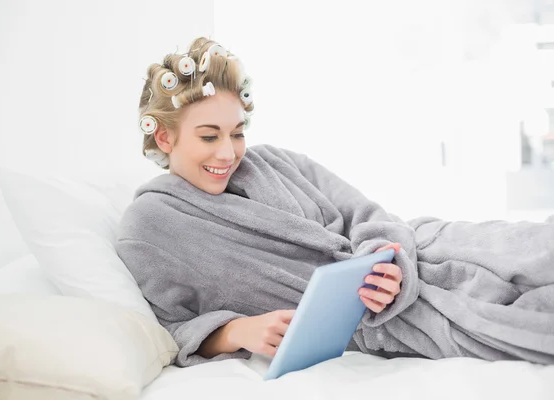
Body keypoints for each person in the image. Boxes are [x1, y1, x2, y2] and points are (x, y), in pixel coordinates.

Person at [116, 37, 554, 368]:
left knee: (535, 248)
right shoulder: (149, 227)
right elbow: (170, 327)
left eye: (237, 133)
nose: (228, 153)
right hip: (382, 324)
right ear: (165, 136)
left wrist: (385, 261)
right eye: (209, 136)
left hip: (427, 251)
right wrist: (234, 331)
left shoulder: (278, 162)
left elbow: (368, 214)